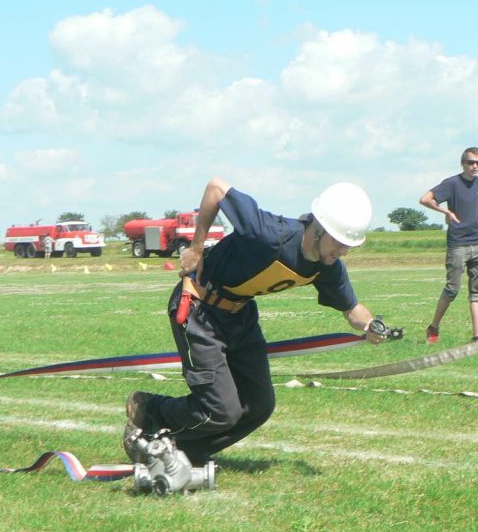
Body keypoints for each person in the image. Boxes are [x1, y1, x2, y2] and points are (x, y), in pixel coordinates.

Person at [124, 178, 387, 472]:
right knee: (220, 411)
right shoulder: (270, 233)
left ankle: (182, 452)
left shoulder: (328, 267)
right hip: (200, 309)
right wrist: (197, 248)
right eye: (340, 242)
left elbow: (352, 308)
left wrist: (372, 325)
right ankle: (149, 409)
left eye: (349, 246)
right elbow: (216, 188)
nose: (343, 251)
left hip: (241, 317)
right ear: (319, 229)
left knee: (259, 406)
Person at [420, 147, 478, 343]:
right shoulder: (452, 183)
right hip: (457, 244)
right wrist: (446, 212)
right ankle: (434, 327)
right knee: (452, 289)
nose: (475, 166)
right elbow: (425, 199)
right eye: (471, 162)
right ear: (463, 163)